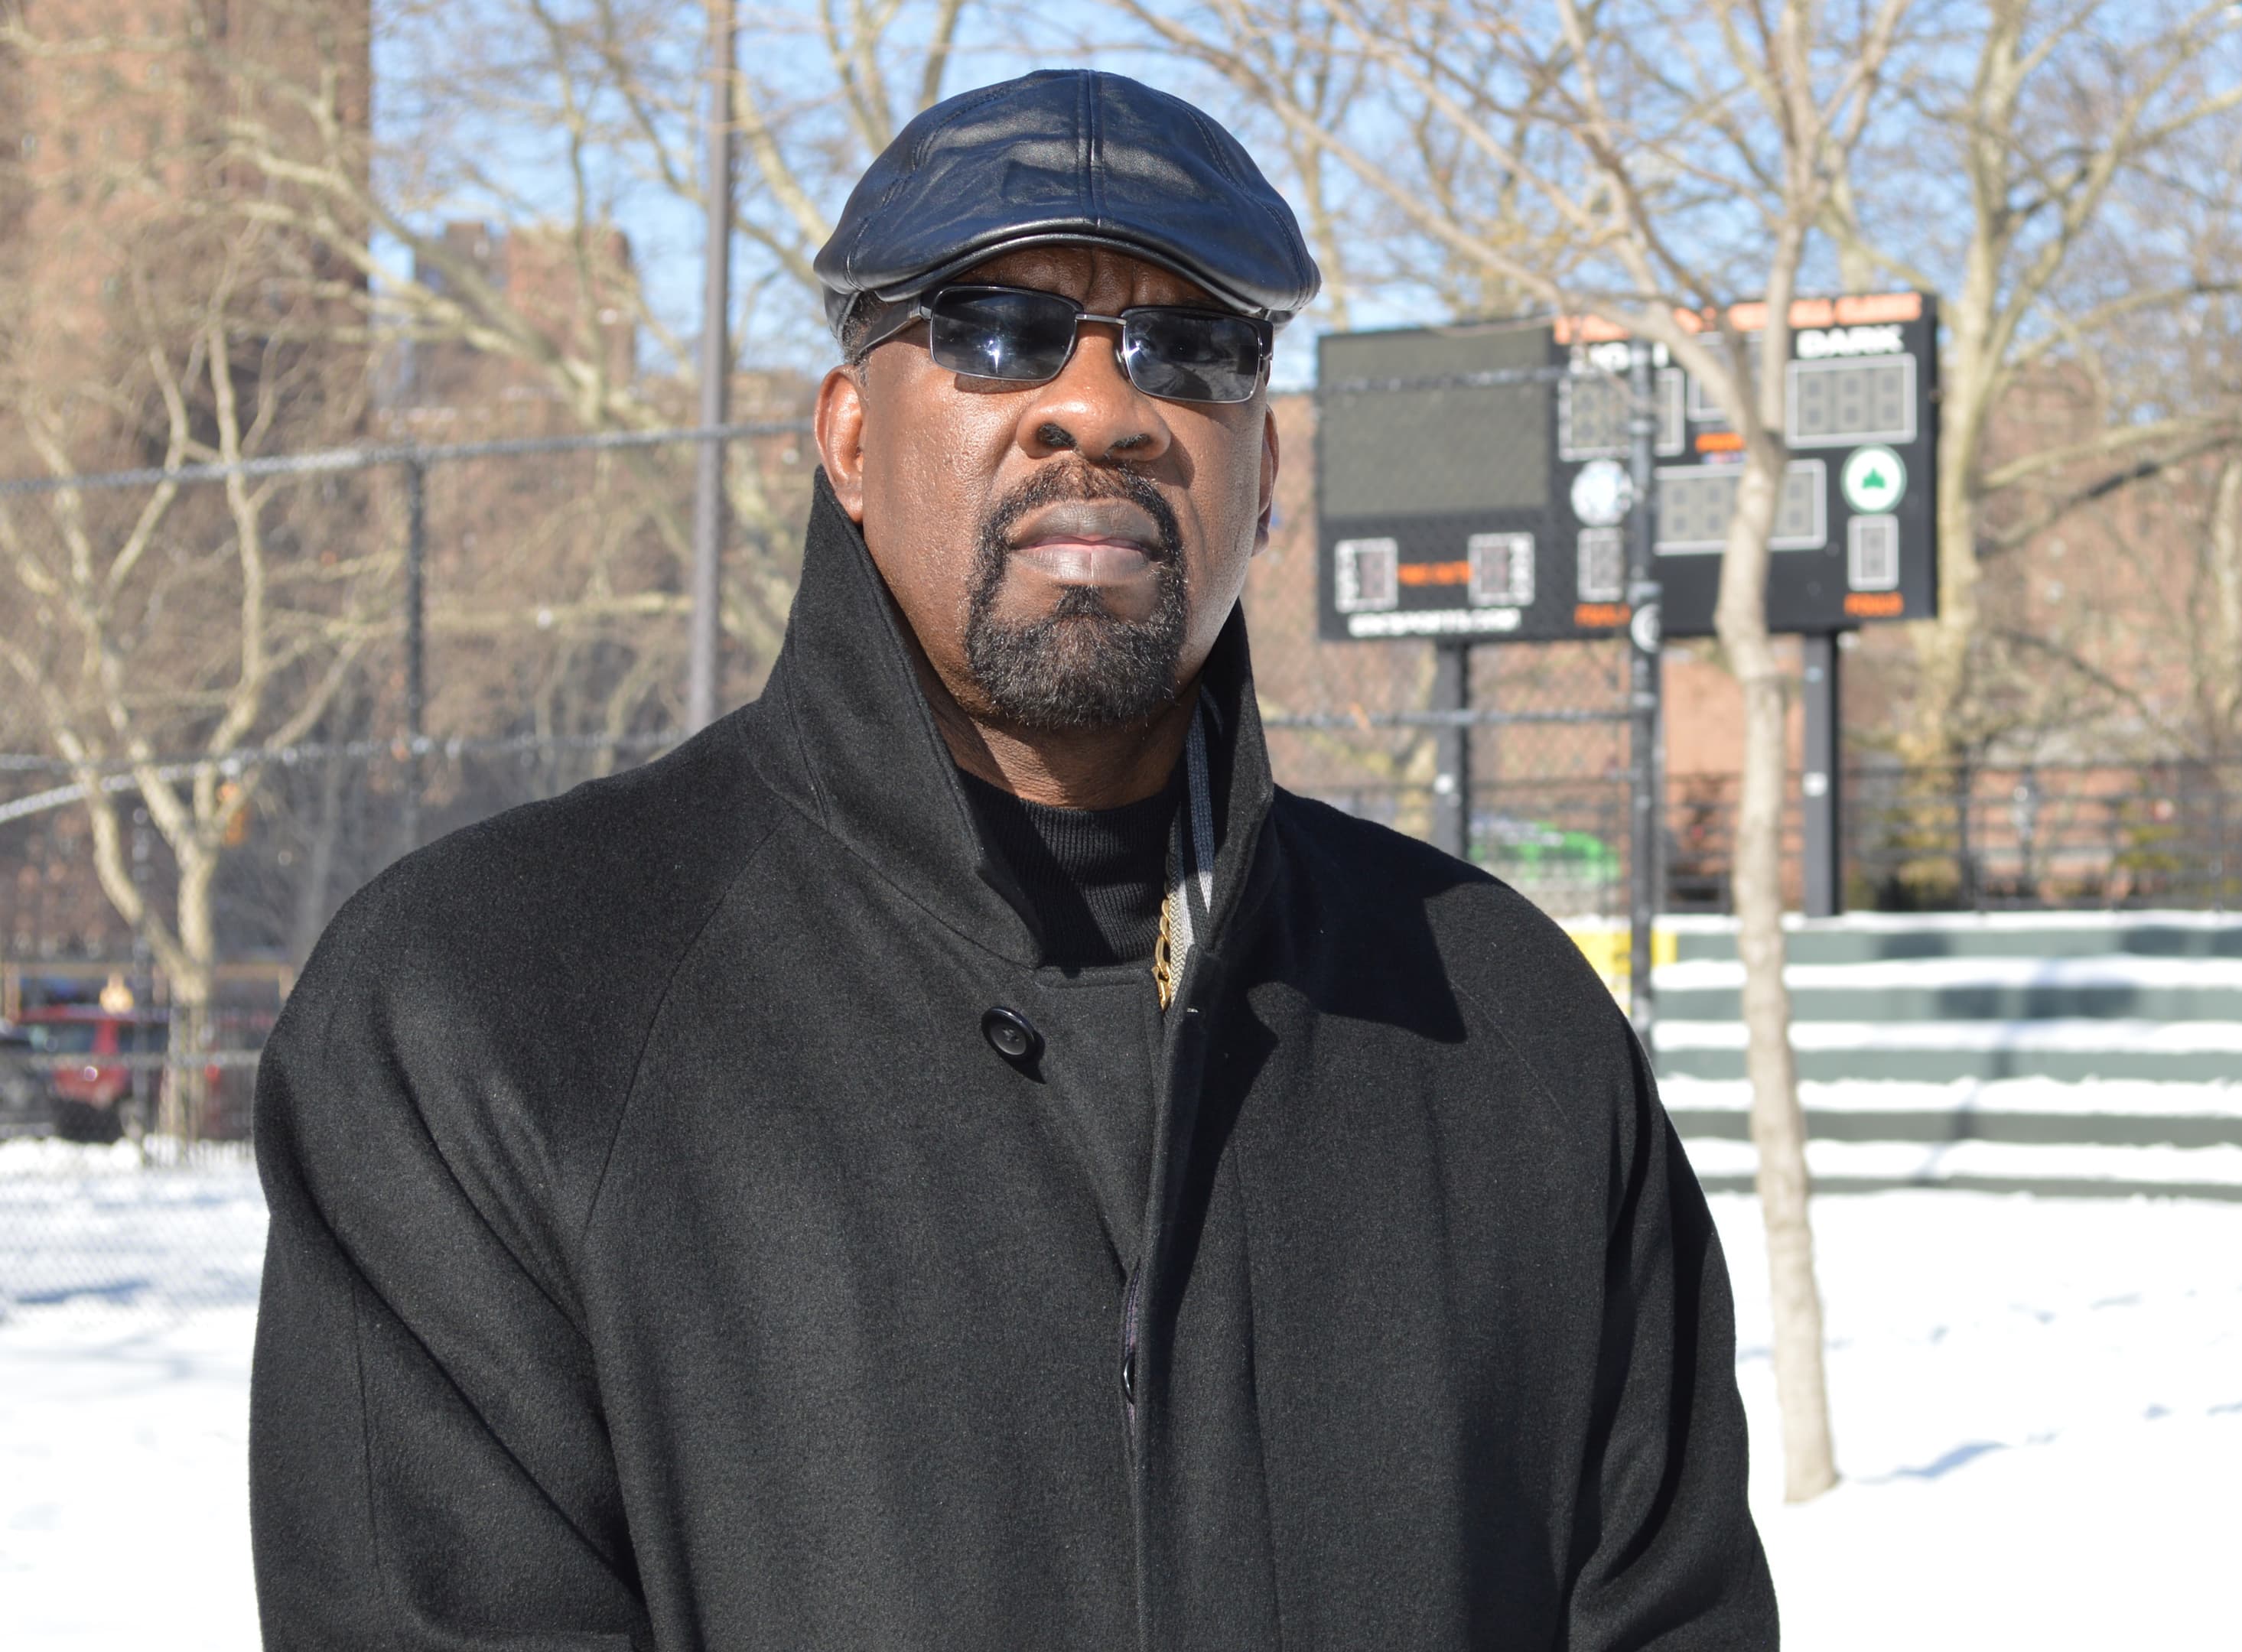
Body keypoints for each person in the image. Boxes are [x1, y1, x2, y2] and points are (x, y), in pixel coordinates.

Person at [249, 68, 1774, 1650]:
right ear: (849, 435)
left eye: (1189, 348)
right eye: (997, 328)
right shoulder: (491, 1009)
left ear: (1267, 479)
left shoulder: (1500, 1021)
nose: (1101, 405)